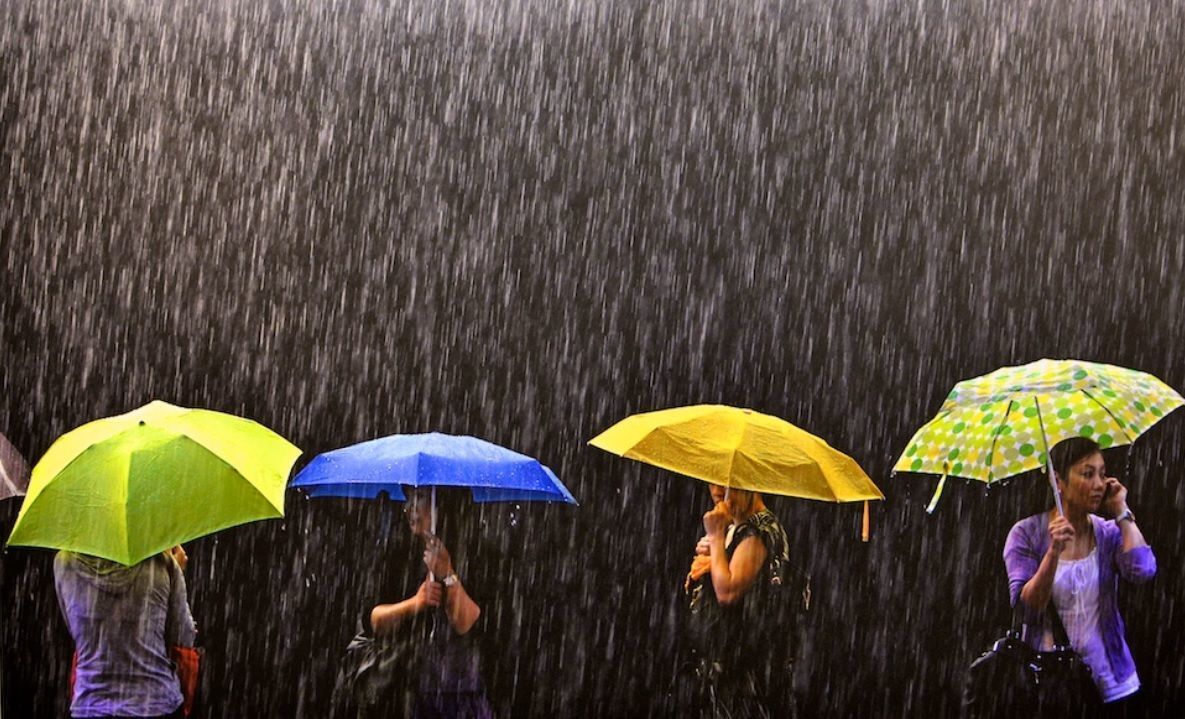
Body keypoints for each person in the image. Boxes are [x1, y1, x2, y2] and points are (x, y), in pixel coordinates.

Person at [1003, 437, 1157, 714]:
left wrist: (1121, 511)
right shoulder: (1026, 534)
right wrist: (1053, 552)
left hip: (1113, 681)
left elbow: (1142, 570)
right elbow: (1027, 607)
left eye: (1102, 474)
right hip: (1056, 685)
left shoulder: (1107, 532)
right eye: (1087, 474)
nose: (1099, 484)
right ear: (1058, 481)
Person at [368, 487, 493, 719]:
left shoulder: (473, 552)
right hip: (410, 689)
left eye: (421, 497)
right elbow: (376, 620)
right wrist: (416, 603)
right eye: (409, 498)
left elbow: (466, 623)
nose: (410, 507)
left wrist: (447, 573)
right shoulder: (397, 554)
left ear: (441, 505)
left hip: (461, 693)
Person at [675, 483, 795, 719]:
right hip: (723, 673)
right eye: (713, 481)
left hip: (743, 678)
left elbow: (728, 592)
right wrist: (715, 549)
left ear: (752, 482)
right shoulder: (737, 529)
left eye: (729, 484)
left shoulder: (758, 531)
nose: (717, 491)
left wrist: (716, 537)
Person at [54, 545, 196, 718]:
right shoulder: (160, 561)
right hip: (155, 703)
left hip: (90, 704)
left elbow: (76, 630)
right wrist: (175, 572)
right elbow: (183, 635)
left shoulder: (64, 562)